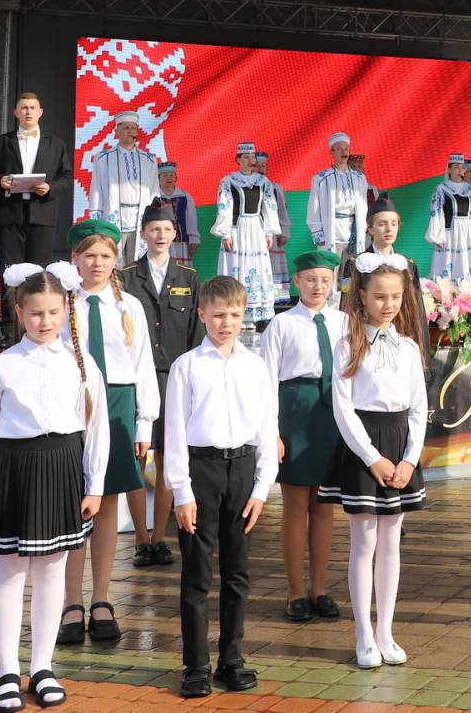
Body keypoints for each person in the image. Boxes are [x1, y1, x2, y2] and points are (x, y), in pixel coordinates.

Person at [0, 263, 108, 713]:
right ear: (20, 313)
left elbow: (96, 427)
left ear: (66, 310)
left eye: (53, 312)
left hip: (63, 469)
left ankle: (43, 667)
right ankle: (6, 671)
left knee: (51, 573)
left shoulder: (81, 364)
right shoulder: (1, 367)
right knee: (9, 573)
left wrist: (95, 484)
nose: (46, 321)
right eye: (36, 313)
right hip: (13, 471)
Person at [164, 275, 277, 698]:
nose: (226, 323)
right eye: (217, 316)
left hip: (243, 470)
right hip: (201, 470)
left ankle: (232, 658)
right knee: (197, 572)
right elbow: (175, 432)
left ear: (244, 314)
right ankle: (196, 665)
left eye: (233, 315)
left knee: (237, 571)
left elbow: (267, 427)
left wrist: (262, 487)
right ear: (201, 315)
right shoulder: (187, 366)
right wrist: (182, 491)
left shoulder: (255, 365)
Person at [320, 253, 428, 669]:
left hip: (400, 445)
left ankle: (386, 631)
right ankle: (363, 633)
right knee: (364, 542)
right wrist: (372, 458)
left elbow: (418, 408)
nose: (389, 304)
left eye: (396, 297)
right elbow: (343, 407)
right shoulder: (348, 344)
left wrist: (409, 460)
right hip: (363, 447)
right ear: (362, 296)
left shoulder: (409, 347)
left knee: (391, 544)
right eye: (380, 296)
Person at [57, 218, 159, 647]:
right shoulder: (62, 301)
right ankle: (70, 602)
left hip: (117, 403)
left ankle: (101, 598)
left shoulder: (128, 305)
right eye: (89, 255)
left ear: (116, 260)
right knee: (72, 502)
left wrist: (144, 421)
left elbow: (143, 365)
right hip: (71, 402)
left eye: (105, 256)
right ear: (74, 259)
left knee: (107, 502)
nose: (97, 263)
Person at [259, 250, 346, 623]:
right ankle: (295, 591)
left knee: (324, 507)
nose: (317, 286)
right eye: (310, 279)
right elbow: (266, 381)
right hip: (294, 412)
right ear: (296, 281)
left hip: (333, 414)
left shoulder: (344, 322)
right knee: (295, 507)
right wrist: (271, 431)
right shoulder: (281, 324)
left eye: (325, 280)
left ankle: (319, 589)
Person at [121, 199, 204, 568]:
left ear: (175, 234)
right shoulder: (125, 277)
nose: (160, 235)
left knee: (170, 457)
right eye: (154, 229)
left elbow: (196, 334)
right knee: (138, 457)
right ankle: (141, 537)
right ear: (143, 233)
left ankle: (160, 538)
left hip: (174, 378)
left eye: (167, 229)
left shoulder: (189, 277)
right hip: (137, 377)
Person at [0, 92, 73, 334]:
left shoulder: (55, 143)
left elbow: (66, 177)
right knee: (10, 271)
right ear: (16, 112)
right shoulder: (2, 142)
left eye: (32, 107)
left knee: (40, 271)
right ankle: (11, 329)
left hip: (41, 215)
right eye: (23, 107)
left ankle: (42, 327)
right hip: (9, 214)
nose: (28, 111)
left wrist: (49, 188)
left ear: (40, 112)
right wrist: (1, 181)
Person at [212, 143, 282, 327]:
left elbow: (269, 206)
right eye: (246, 157)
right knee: (236, 266)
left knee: (255, 266)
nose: (250, 160)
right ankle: (235, 311)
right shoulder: (228, 181)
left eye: (252, 157)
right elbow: (224, 206)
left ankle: (254, 313)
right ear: (238, 160)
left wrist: (268, 231)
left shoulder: (263, 181)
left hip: (256, 229)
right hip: (237, 229)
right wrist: (225, 233)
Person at [86, 110, 159, 263]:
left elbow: (154, 191)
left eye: (133, 128)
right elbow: (96, 189)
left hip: (140, 216)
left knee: (138, 262)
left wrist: (155, 216)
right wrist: (96, 220)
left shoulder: (149, 159)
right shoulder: (103, 158)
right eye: (126, 127)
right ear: (116, 131)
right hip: (113, 215)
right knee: (113, 259)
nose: (130, 131)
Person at [426, 154, 471, 283]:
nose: (460, 170)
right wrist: (437, 236)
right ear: (449, 169)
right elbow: (436, 212)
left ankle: (468, 287)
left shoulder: (470, 189)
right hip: (450, 232)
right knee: (449, 261)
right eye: (456, 167)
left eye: (462, 167)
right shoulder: (441, 189)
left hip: (468, 232)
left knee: (468, 261)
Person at [305, 133, 369, 259]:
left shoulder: (360, 178)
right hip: (331, 230)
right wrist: (317, 233)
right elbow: (313, 208)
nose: (343, 152)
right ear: (332, 152)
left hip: (354, 230)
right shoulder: (321, 178)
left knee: (353, 267)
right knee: (332, 267)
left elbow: (363, 206)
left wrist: (364, 227)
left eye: (346, 148)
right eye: (339, 149)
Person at [253, 152, 292, 314]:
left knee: (274, 265)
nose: (261, 169)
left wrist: (285, 231)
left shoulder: (275, 188)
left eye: (263, 166)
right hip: (253, 235)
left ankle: (279, 302)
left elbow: (282, 211)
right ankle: (257, 299)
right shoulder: (246, 187)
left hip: (273, 237)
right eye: (257, 166)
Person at [156, 162, 200, 262]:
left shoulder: (184, 196)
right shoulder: (154, 196)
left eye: (171, 175)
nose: (169, 178)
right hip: (160, 241)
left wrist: (193, 240)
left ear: (176, 178)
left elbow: (191, 219)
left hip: (182, 243)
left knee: (181, 268)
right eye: (165, 176)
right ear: (158, 179)